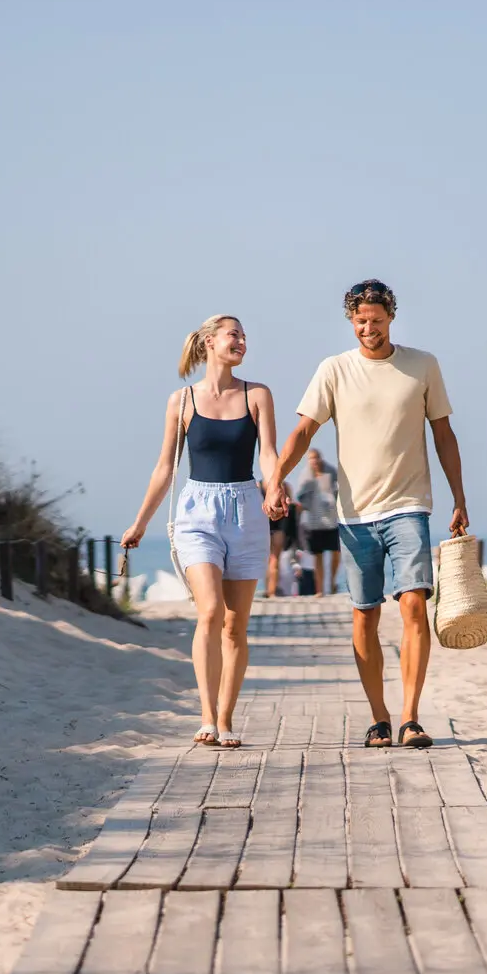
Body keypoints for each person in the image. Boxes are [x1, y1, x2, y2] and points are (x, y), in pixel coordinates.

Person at [269, 280, 467, 749]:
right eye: (360, 321)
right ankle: (379, 717)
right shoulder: (334, 370)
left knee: (414, 603)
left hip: (409, 505)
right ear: (350, 321)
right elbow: (304, 430)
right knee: (365, 617)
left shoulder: (422, 365)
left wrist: (459, 496)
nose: (369, 329)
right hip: (355, 515)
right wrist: (277, 476)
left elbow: (444, 435)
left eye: (377, 320)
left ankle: (411, 717)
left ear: (391, 317)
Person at [123, 314, 279, 748]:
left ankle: (226, 719)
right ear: (210, 342)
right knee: (210, 611)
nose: (242, 341)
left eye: (245, 336)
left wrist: (275, 487)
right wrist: (140, 522)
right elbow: (164, 468)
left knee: (235, 626)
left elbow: (268, 453)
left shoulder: (258, 395)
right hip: (198, 512)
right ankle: (207, 716)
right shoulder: (182, 401)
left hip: (247, 509)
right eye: (234, 335)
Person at [294, 448, 341, 595]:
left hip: (331, 520)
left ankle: (332, 582)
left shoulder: (331, 471)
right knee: (318, 557)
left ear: (320, 458)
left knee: (336, 553)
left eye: (316, 457)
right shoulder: (305, 475)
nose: (314, 461)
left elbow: (339, 490)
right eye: (311, 458)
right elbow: (300, 497)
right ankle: (320, 589)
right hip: (314, 522)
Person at [265, 478, 297, 597]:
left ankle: (271, 590)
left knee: (272, 560)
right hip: (272, 525)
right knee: (272, 560)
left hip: (277, 526)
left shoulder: (280, 487)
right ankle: (271, 590)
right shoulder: (281, 488)